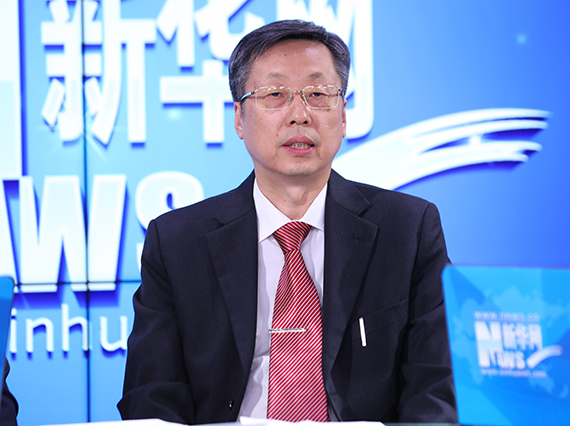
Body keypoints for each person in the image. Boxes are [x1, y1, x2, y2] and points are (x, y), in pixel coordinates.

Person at [119, 19, 457, 424]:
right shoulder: (177, 243)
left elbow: (436, 387)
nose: (300, 115)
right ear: (239, 118)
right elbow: (151, 396)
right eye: (275, 95)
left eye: (318, 94)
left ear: (343, 115)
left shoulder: (408, 229)